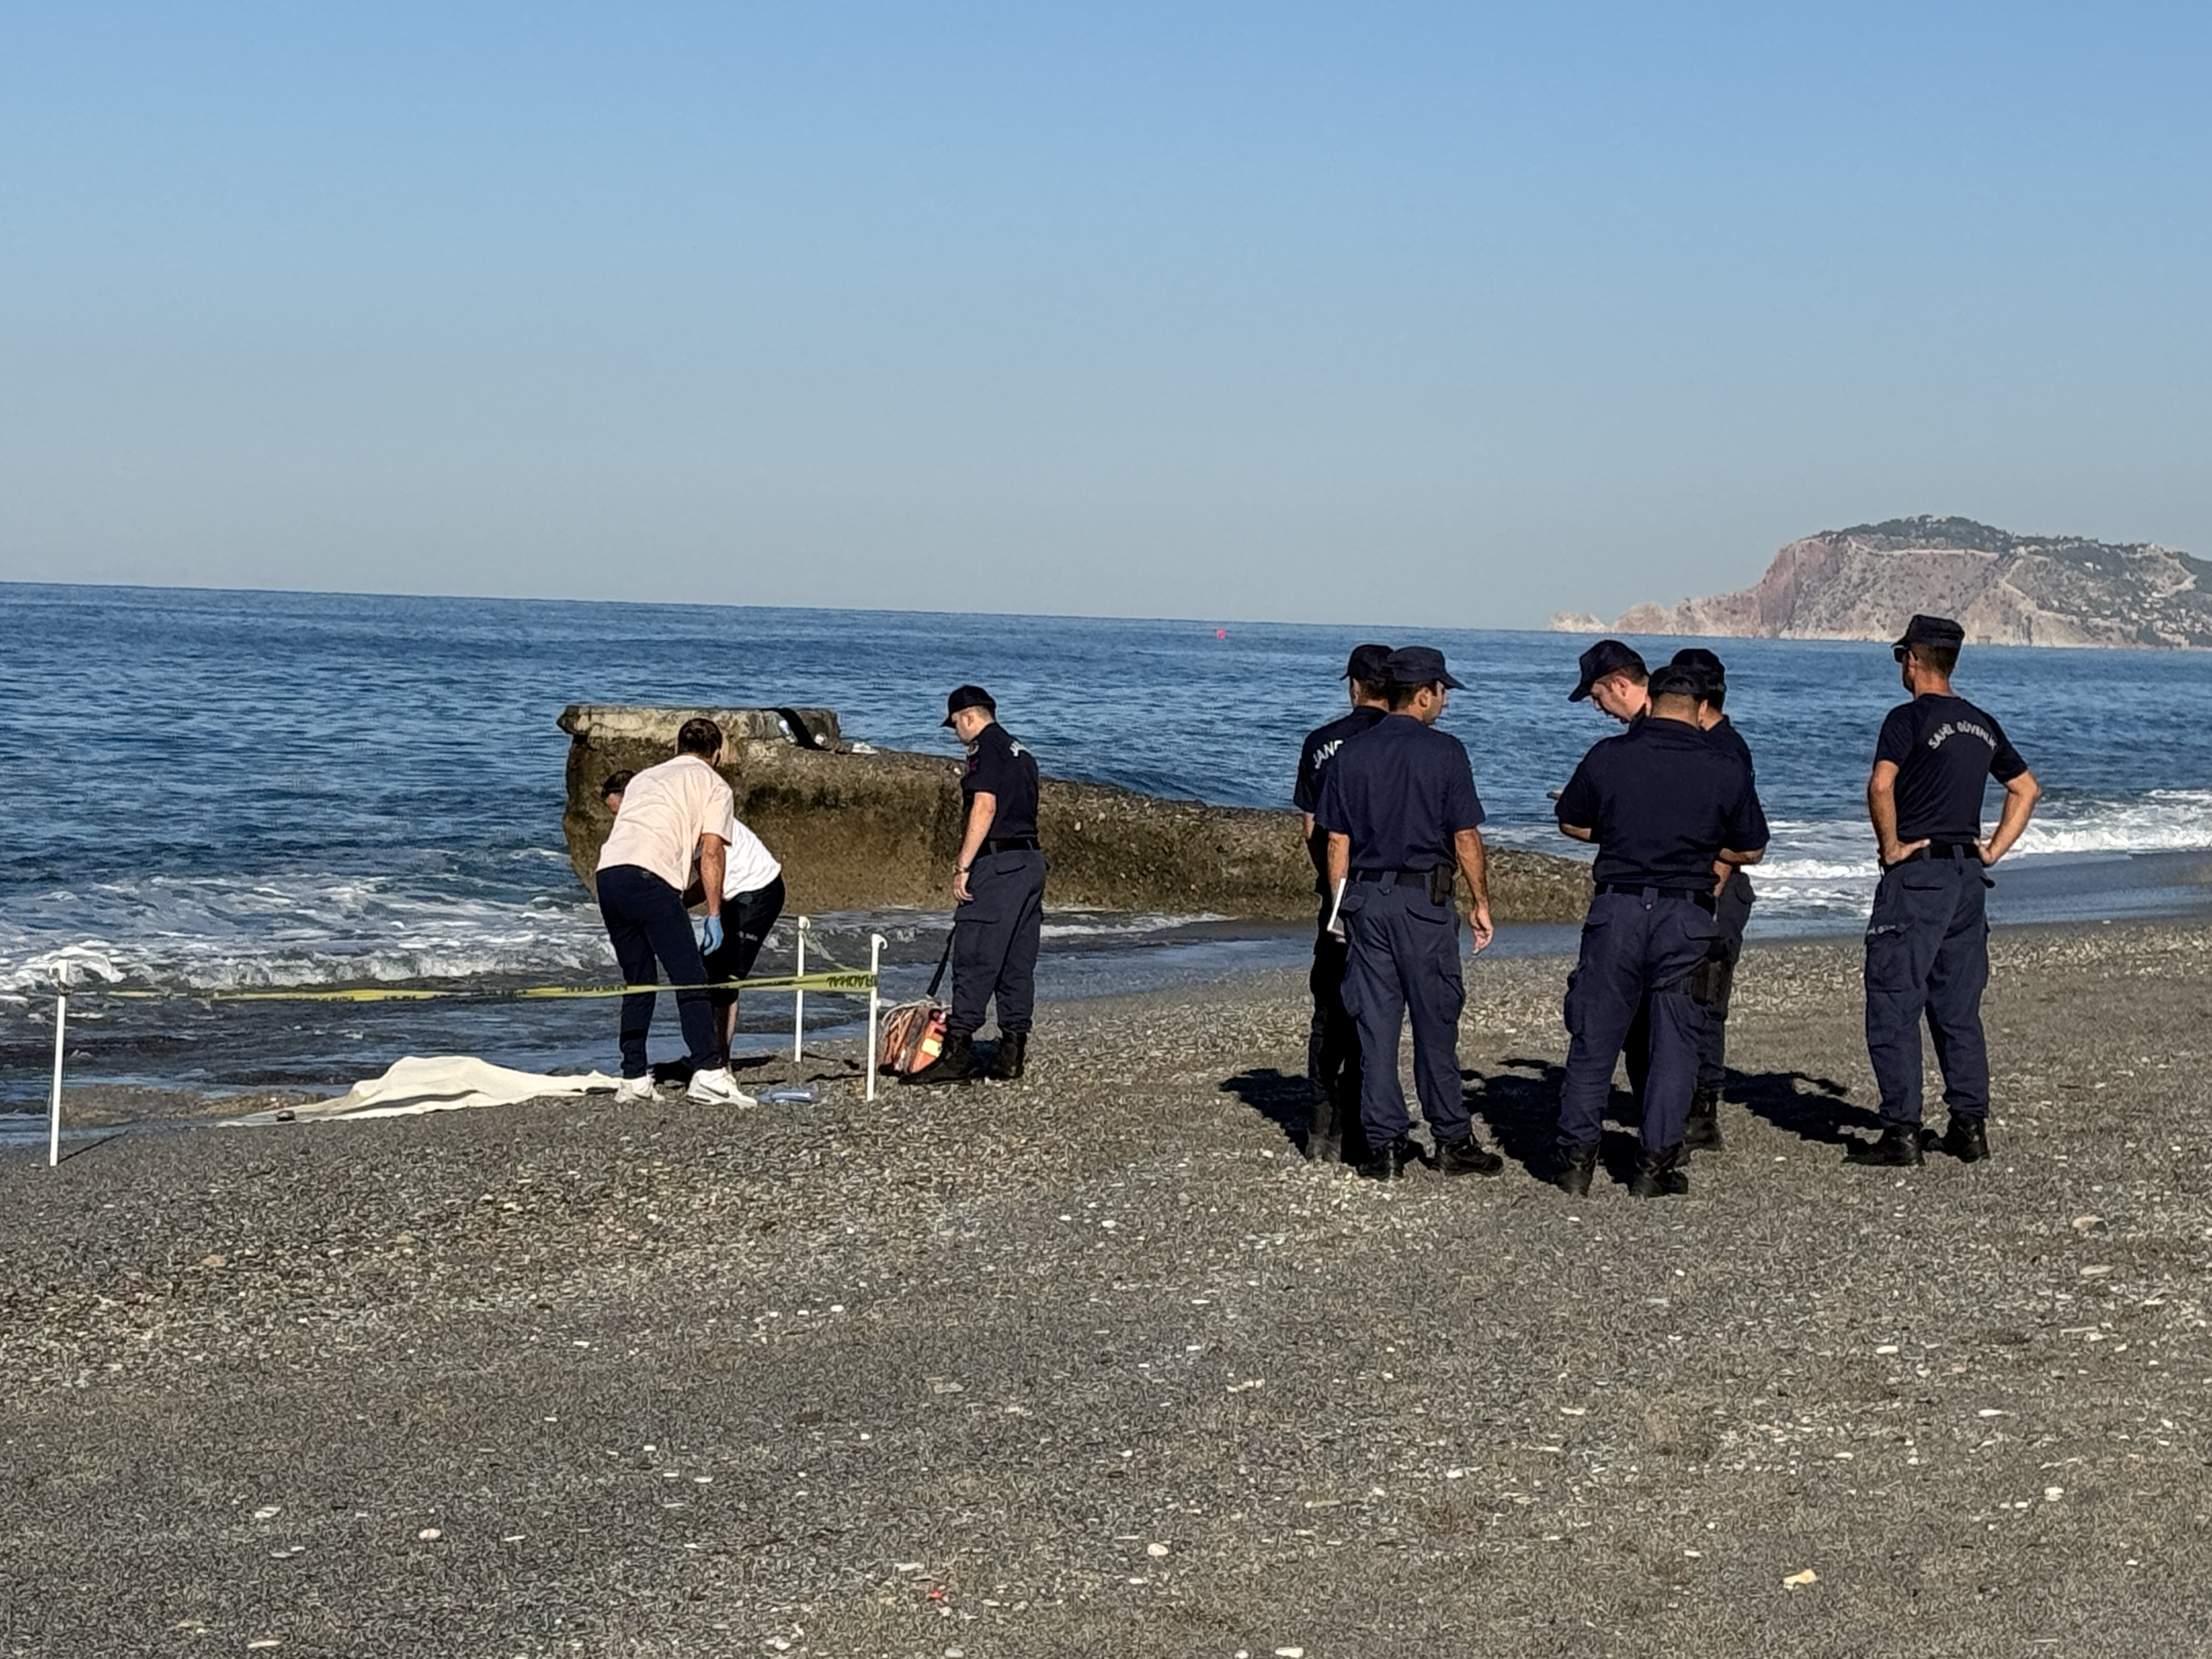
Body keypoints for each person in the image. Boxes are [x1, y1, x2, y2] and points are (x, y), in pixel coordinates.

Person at [1554, 664, 1768, 1197]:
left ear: (1655, 701)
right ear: (1699, 710)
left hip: (1619, 907)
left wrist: (1624, 832)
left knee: (1596, 1035)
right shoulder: (1723, 767)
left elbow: (1570, 820)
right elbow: (1751, 849)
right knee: (1675, 1040)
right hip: (1684, 912)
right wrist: (1698, 846)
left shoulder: (1610, 755)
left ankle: (1576, 1161)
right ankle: (1654, 1166)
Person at [1852, 615, 2040, 1166]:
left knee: (1894, 1000)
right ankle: (1969, 1124)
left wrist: (1890, 847)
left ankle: (1902, 1131)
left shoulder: (1907, 719)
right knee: (1958, 1006)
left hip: (1921, 874)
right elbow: (2025, 789)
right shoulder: (1980, 723)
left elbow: (1881, 783)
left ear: (1914, 659)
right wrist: (1992, 849)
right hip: (1965, 876)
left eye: (1901, 657)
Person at [1314, 646, 1504, 1182]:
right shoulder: (1445, 753)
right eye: (1442, 692)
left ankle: (1386, 1144)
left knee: (1376, 1024)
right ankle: (1450, 1137)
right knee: (1434, 1022)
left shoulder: (1350, 755)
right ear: (1424, 695)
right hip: (1424, 900)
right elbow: (1464, 835)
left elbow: (1337, 841)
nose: (1444, 701)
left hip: (1367, 898)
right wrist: (1481, 902)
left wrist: (1338, 908)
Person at [1617, 647, 1757, 1152]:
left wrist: (1709, 893)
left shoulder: (1724, 749)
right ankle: (1673, 1105)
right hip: (1689, 892)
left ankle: (1701, 1111)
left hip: (1709, 893)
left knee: (1701, 1003)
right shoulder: (1700, 745)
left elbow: (1734, 839)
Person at [594, 719, 752, 1107]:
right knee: (690, 977)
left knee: (639, 978)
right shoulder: (715, 785)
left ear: (679, 746)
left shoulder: (646, 778)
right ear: (717, 752)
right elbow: (712, 852)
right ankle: (708, 1073)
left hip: (609, 875)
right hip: (652, 876)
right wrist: (714, 912)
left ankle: (633, 1076)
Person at [905, 685, 1047, 1086]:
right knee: (1017, 960)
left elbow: (985, 806)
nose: (956, 735)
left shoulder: (984, 750)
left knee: (975, 952)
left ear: (968, 717)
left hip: (998, 865)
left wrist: (963, 864)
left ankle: (958, 1049)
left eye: (955, 726)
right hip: (1030, 862)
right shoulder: (1022, 753)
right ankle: (1012, 1049)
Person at [1291, 642, 1394, 1163]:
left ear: (1354, 686)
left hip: (1337, 891)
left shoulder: (1320, 742)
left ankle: (1321, 1125)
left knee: (1329, 1009)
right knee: (1378, 1009)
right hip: (1392, 890)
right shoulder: (1407, 743)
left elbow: (1313, 827)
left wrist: (1330, 880)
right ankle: (1365, 1124)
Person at [699, 805, 787, 1066]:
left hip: (759, 891)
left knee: (726, 977)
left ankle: (720, 1060)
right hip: (734, 893)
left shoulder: (704, 821)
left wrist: (709, 914)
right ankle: (709, 1052)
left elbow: (710, 866)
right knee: (708, 969)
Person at [1569, 639, 1649, 725]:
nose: (1597, 707)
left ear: (1621, 686)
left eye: (1598, 697)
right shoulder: (1662, 715)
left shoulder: (1646, 734)